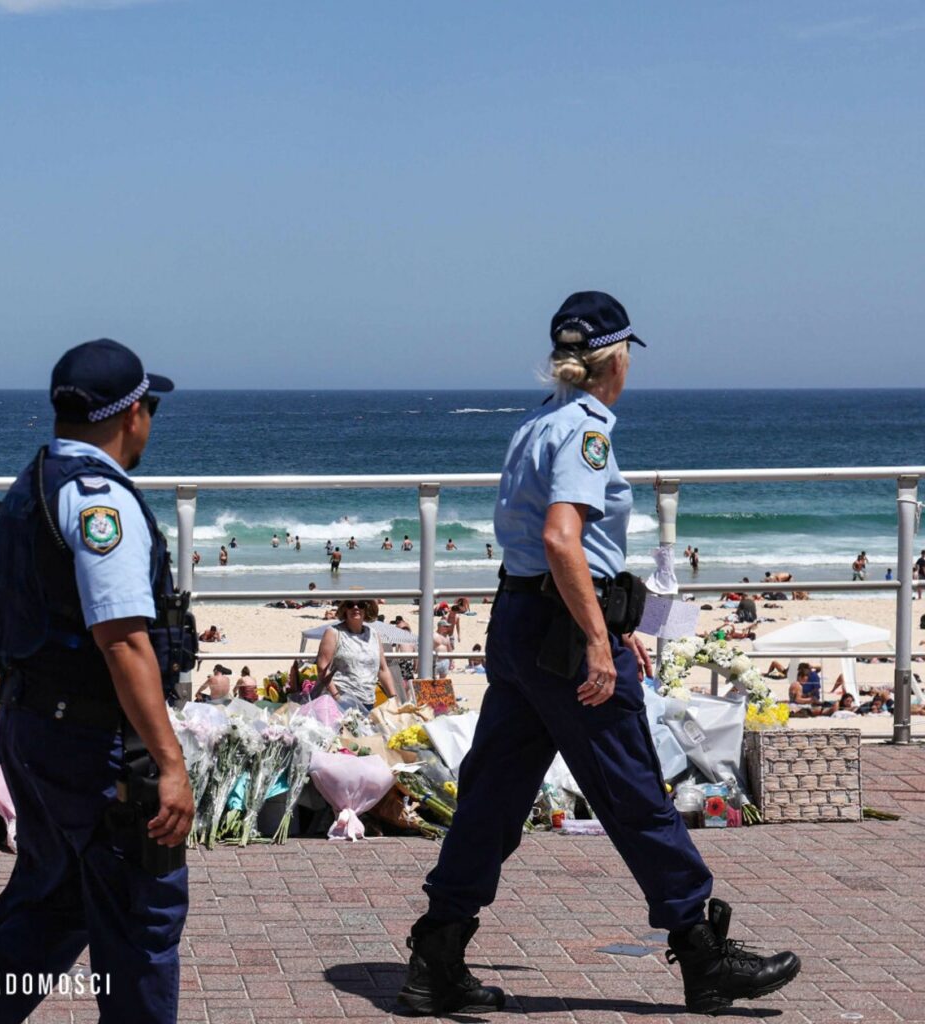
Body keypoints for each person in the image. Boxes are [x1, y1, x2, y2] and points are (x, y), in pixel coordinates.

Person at [400, 293, 797, 1017]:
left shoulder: (535, 423)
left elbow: (542, 545)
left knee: (492, 794)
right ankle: (703, 956)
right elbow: (562, 539)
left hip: (521, 623)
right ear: (616, 360)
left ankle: (437, 954)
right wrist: (595, 638)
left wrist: (609, 621)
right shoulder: (586, 431)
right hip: (563, 635)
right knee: (632, 789)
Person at [0, 338, 196, 1024]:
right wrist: (169, 764)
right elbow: (124, 641)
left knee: (57, 898)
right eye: (150, 408)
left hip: (33, 728)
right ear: (132, 414)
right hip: (94, 743)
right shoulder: (100, 502)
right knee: (141, 915)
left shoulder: (33, 484)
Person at [316, 600, 396, 712]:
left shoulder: (373, 634)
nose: (356, 607)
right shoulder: (333, 632)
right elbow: (322, 667)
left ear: (366, 608)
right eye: (350, 604)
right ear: (345, 609)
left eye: (361, 604)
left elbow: (382, 669)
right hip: (339, 702)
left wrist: (393, 698)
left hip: (368, 701)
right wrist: (337, 697)